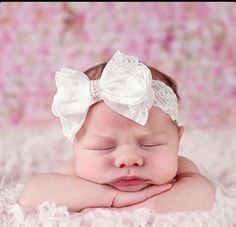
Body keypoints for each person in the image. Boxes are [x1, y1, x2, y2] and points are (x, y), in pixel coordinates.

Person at [19, 51, 215, 213]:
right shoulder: (75, 172)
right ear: (76, 146)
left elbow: (203, 194)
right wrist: (114, 198)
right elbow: (32, 195)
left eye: (150, 144)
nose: (128, 159)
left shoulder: (181, 169)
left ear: (177, 141)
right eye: (104, 147)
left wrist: (138, 209)